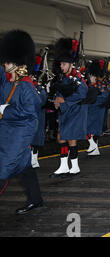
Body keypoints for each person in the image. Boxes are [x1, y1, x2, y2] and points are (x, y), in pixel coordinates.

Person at [0, 29, 44, 215]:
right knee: (24, 166)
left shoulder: (26, 85)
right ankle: (36, 200)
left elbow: (28, 112)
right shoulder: (7, 82)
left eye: (8, 61)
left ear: (17, 63)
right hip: (7, 128)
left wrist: (4, 110)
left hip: (22, 130)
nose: (5, 64)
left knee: (3, 167)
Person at [49, 38, 88, 178]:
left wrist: (64, 100)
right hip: (66, 111)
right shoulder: (63, 77)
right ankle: (65, 166)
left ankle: (73, 166)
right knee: (63, 137)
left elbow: (83, 93)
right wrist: (56, 101)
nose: (62, 66)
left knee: (70, 138)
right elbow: (59, 93)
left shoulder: (78, 78)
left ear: (71, 64)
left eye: (64, 64)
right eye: (61, 64)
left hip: (76, 111)